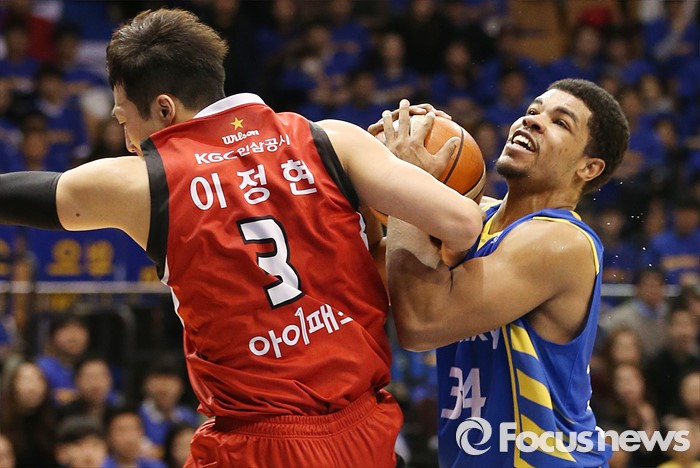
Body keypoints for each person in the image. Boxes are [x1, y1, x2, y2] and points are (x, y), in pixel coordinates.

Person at [0, 8, 482, 467]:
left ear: (164, 108)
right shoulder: (331, 139)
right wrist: (406, 192)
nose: (129, 141)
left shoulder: (145, 182)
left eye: (126, 119)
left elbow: (32, 196)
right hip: (364, 430)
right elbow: (463, 224)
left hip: (255, 442)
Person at [378, 78, 629, 466]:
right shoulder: (473, 218)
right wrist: (368, 174)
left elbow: (421, 322)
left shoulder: (562, 241)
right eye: (532, 111)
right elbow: (380, 269)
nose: (533, 121)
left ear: (589, 167)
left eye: (560, 122)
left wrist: (405, 181)